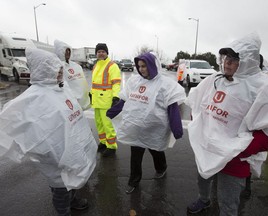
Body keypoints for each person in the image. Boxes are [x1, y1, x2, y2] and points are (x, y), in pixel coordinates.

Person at [185, 33, 268, 215]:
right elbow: (197, 104)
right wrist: (198, 127)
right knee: (203, 178)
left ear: (247, 60)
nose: (227, 63)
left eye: (234, 59)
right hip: (207, 149)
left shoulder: (264, 86)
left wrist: (243, 150)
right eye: (226, 58)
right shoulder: (215, 79)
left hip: (234, 158)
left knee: (228, 201)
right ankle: (204, 199)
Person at [0, 48, 98, 216]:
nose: (60, 73)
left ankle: (73, 200)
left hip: (74, 149)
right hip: (56, 158)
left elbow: (75, 115)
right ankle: (63, 212)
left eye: (61, 70)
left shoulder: (61, 88)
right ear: (43, 70)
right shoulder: (34, 97)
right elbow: (19, 124)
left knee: (73, 180)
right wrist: (51, 154)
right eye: (56, 70)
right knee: (61, 188)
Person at [106, 52, 186, 194]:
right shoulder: (135, 81)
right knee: (135, 156)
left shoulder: (165, 84)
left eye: (145, 66)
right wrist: (114, 110)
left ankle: (161, 167)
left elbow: (172, 108)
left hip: (155, 128)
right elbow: (125, 99)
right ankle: (133, 181)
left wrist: (176, 128)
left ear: (153, 65)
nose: (142, 69)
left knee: (156, 150)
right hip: (136, 128)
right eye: (139, 66)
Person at [90, 43, 121, 157]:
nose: (101, 53)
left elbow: (116, 83)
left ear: (107, 53)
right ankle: (103, 143)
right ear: (96, 54)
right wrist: (90, 95)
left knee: (108, 125)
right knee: (99, 124)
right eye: (99, 51)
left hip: (106, 101)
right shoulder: (96, 65)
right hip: (97, 100)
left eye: (103, 51)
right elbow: (94, 84)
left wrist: (116, 97)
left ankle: (111, 147)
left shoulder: (112, 66)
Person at [54, 39, 90, 110]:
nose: (67, 53)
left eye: (69, 50)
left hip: (81, 101)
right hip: (68, 101)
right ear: (60, 52)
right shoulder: (57, 65)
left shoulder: (76, 66)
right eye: (65, 51)